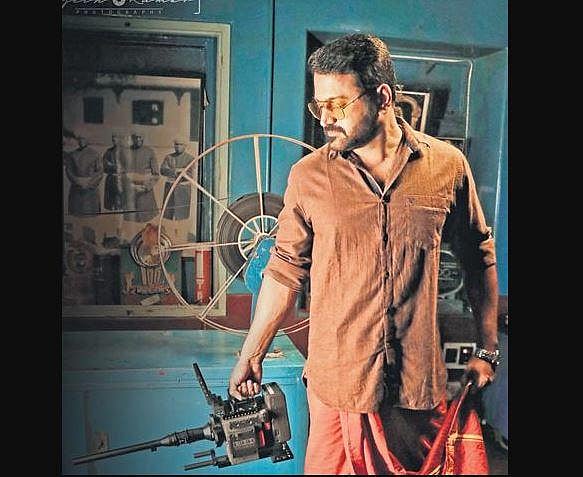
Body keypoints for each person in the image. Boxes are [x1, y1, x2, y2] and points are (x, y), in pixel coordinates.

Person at [228, 34, 499, 474]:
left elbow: (478, 255)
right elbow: (283, 271)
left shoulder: (447, 167)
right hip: (338, 385)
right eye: (319, 106)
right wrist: (251, 353)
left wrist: (487, 349)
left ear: (383, 97)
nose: (325, 119)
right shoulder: (309, 176)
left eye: (338, 104)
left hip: (415, 387)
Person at [122, 132, 160, 222]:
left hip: (145, 193)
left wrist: (146, 187)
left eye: (140, 137)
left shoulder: (150, 152)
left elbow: (156, 175)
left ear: (143, 138)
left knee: (146, 221)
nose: (138, 139)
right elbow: (122, 173)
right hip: (130, 193)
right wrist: (130, 186)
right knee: (130, 222)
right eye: (136, 137)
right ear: (132, 138)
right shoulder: (126, 152)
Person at [65, 136, 103, 216]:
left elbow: (99, 172)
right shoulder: (72, 155)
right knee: (76, 215)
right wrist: (77, 181)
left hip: (91, 191)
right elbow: (69, 170)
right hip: (76, 189)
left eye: (83, 139)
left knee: (91, 215)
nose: (81, 141)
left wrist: (90, 183)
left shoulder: (95, 154)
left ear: (87, 140)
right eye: (79, 139)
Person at [160, 138, 195, 220]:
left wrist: (181, 172)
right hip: (170, 186)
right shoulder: (169, 157)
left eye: (181, 144)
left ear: (185, 146)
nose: (178, 146)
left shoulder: (190, 158)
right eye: (176, 144)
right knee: (168, 213)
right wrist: (175, 171)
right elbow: (163, 170)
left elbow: (190, 174)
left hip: (183, 188)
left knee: (182, 214)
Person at [102, 132, 126, 211]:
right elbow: (104, 165)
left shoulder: (126, 152)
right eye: (113, 138)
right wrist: (114, 167)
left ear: (120, 139)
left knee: (121, 201)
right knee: (111, 202)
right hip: (111, 178)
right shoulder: (108, 151)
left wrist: (114, 166)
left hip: (122, 179)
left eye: (116, 138)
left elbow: (128, 166)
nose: (114, 140)